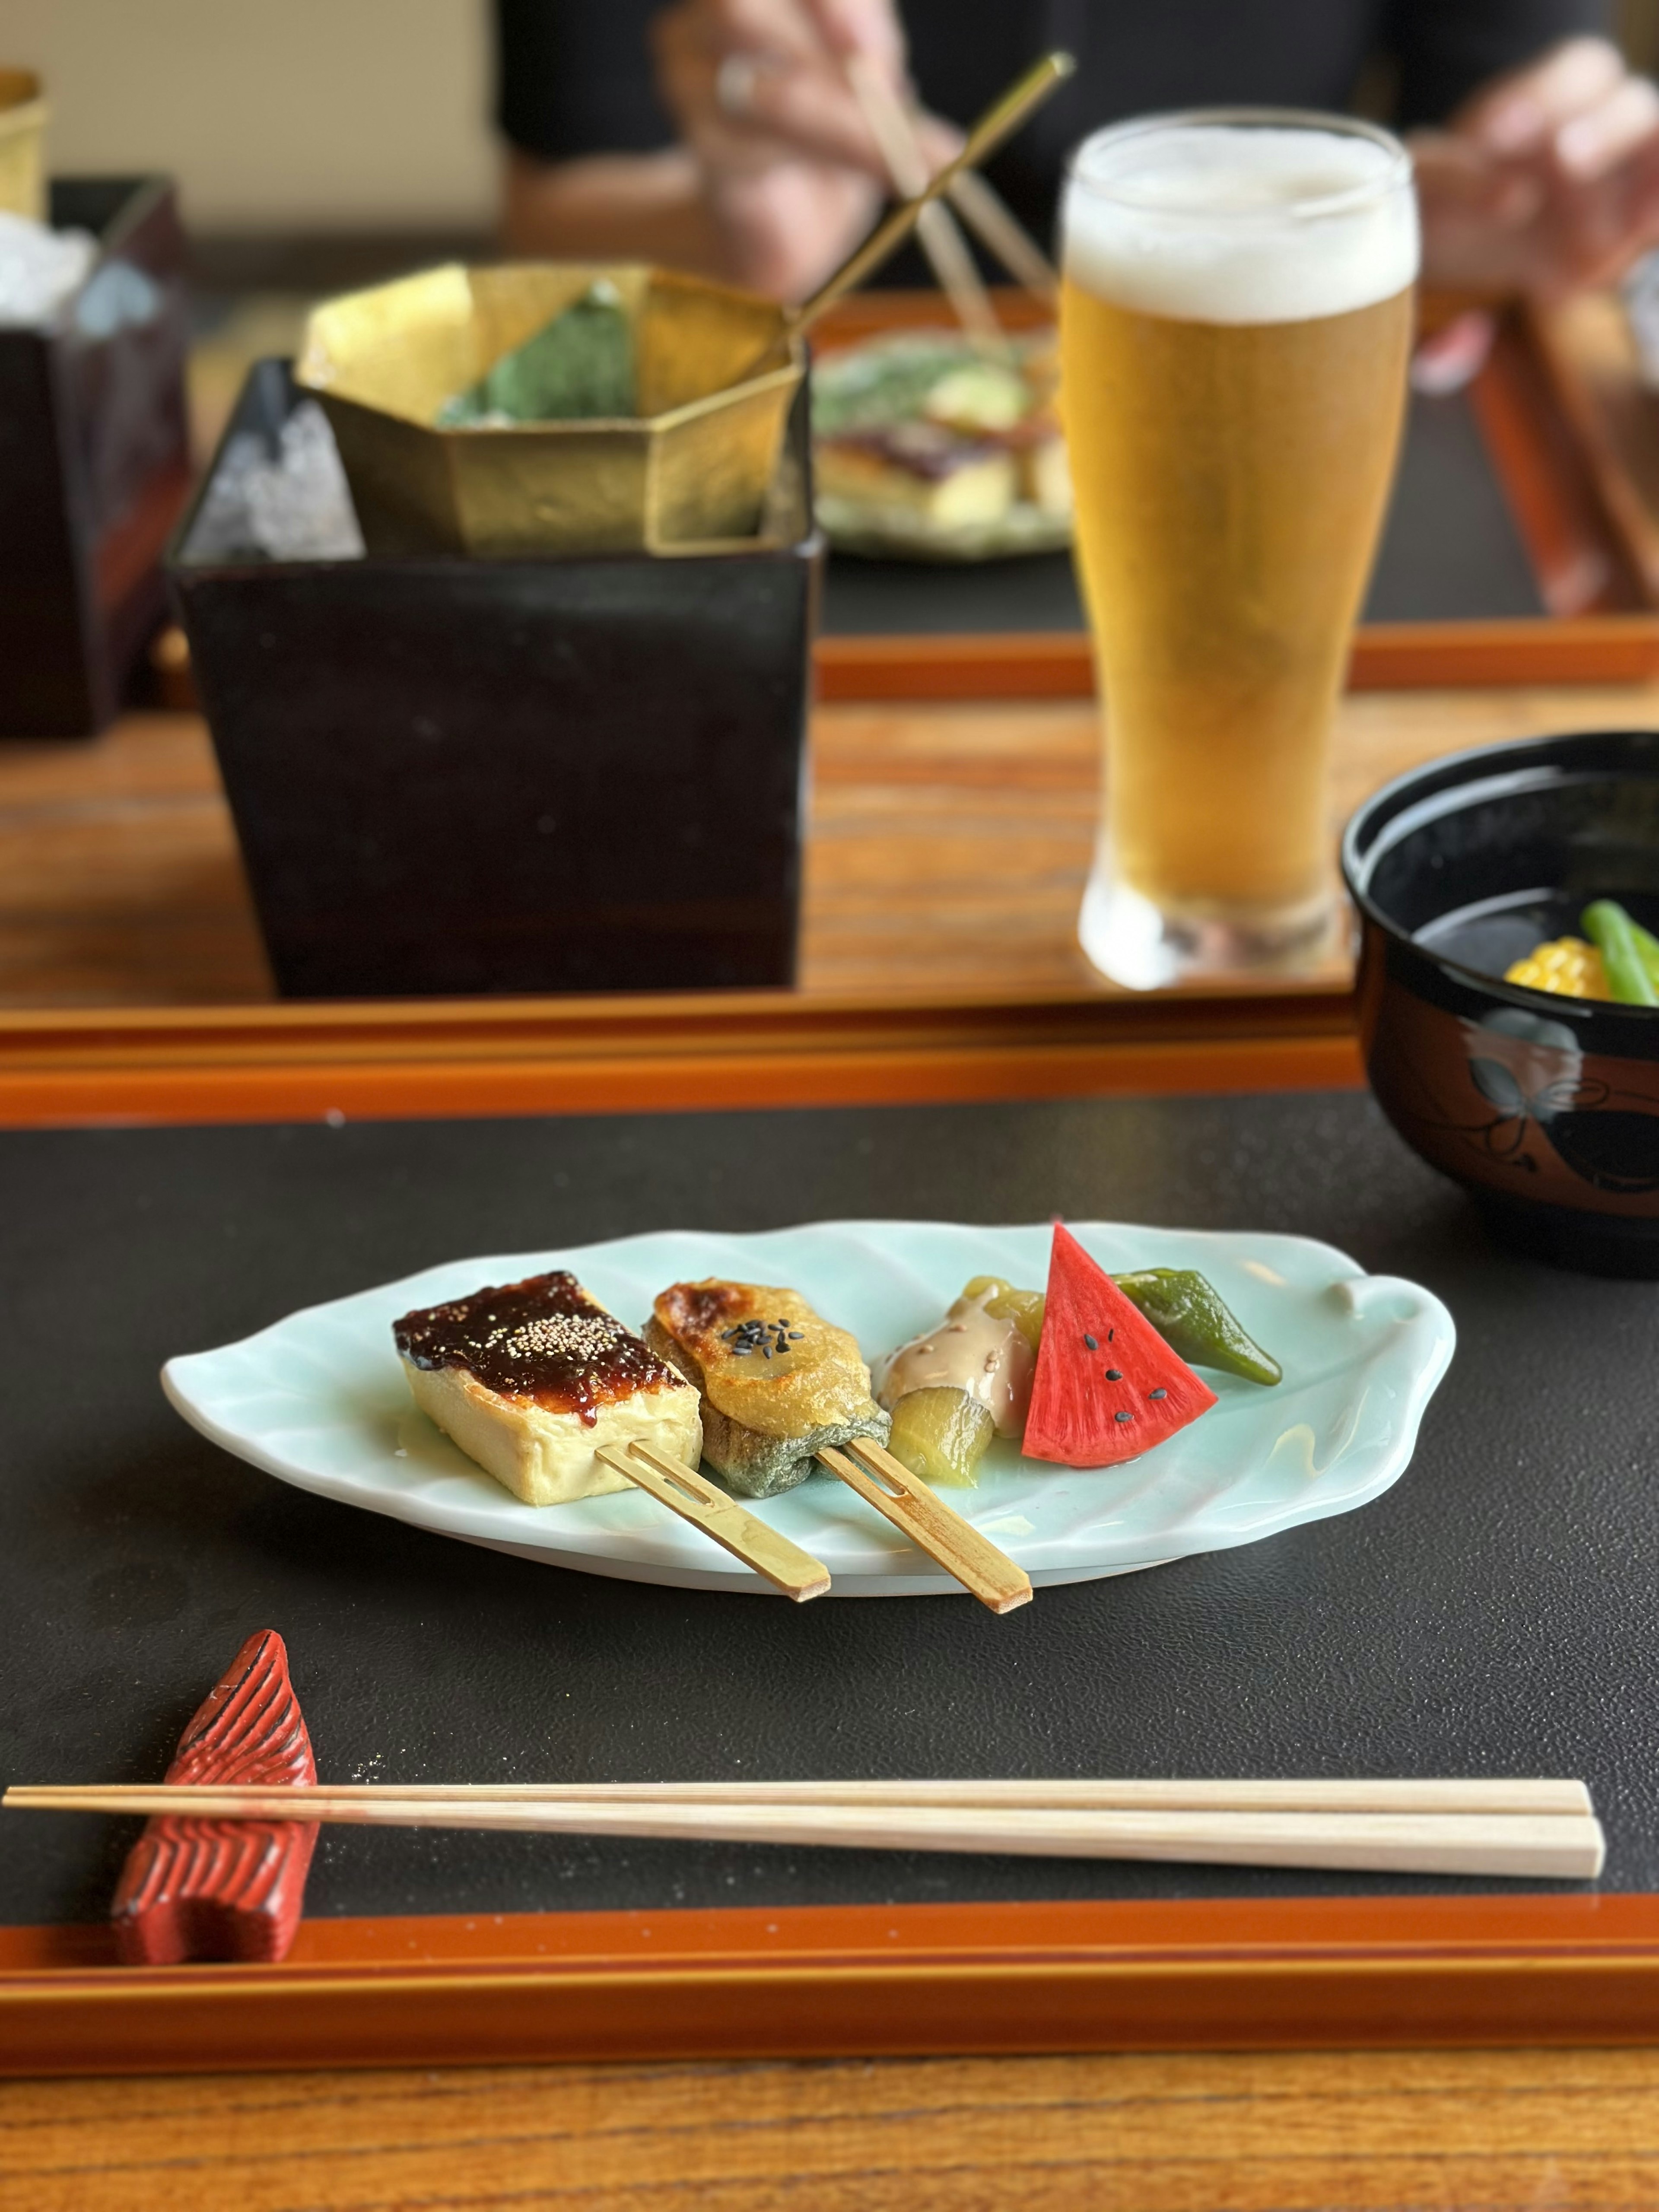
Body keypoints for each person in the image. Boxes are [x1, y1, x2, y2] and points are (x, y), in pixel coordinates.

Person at [496, 0, 1659, 304]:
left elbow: (1498, 142)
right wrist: (731, 232)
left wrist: (1502, 219)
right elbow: (555, 200)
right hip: (802, 437)